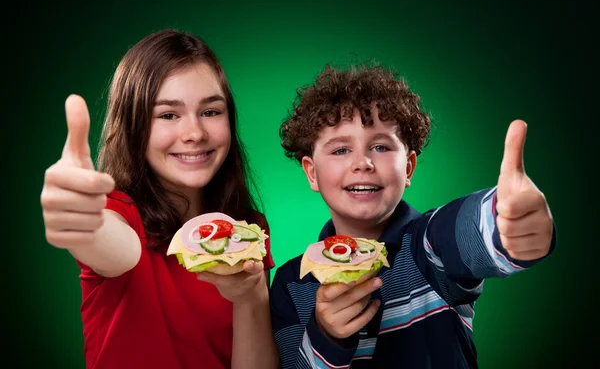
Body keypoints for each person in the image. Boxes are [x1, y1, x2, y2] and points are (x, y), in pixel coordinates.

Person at [270, 63, 556, 368]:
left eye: (380, 146)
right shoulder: (291, 283)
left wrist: (504, 223)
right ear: (312, 174)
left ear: (408, 167)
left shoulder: (429, 247)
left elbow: (466, 228)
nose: (363, 162)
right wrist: (327, 336)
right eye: (340, 150)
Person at [40, 29, 279, 369]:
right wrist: (86, 222)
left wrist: (252, 298)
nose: (195, 132)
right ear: (133, 126)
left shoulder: (249, 229)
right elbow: (112, 243)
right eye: (168, 115)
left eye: (211, 111)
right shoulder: (117, 214)